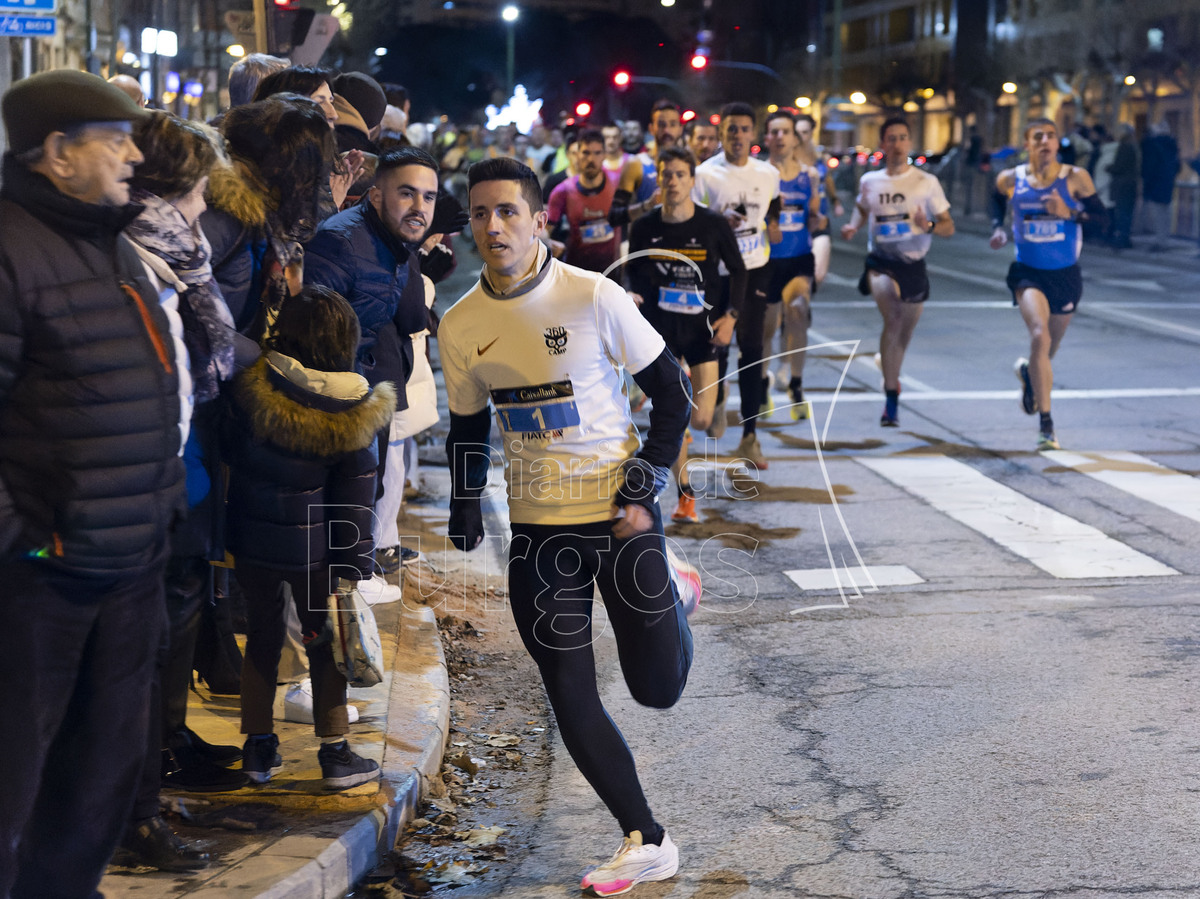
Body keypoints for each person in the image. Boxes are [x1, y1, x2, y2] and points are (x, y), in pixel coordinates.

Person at [441, 157, 700, 896]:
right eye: (481, 214)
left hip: (619, 520)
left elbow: (672, 395)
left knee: (657, 689)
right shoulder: (461, 325)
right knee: (567, 684)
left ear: (538, 219)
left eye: (508, 212)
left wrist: (647, 479)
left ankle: (674, 595)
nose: (494, 227)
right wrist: (464, 507)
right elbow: (467, 428)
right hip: (540, 532)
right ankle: (647, 838)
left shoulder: (594, 296)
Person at [0, 69, 186, 899]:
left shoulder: (110, 241)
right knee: (19, 769)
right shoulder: (10, 248)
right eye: (116, 140)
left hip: (131, 562)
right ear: (56, 153)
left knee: (104, 766)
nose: (135, 156)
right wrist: (28, 538)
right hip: (45, 573)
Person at [112, 110, 250, 874]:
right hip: (141, 487)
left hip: (171, 474)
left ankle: (151, 784)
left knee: (162, 634)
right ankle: (135, 809)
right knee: (137, 651)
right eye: (199, 189)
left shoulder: (172, 255)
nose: (206, 205)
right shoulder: (140, 258)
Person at [223, 285, 396, 789]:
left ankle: (257, 750)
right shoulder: (355, 404)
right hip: (316, 552)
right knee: (324, 642)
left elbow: (231, 458)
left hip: (253, 540)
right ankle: (335, 754)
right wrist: (354, 566)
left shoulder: (252, 386)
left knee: (261, 636)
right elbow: (356, 498)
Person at [304, 145, 441, 592]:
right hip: (333, 401)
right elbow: (313, 335)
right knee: (337, 506)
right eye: (407, 193)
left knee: (367, 494)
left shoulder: (394, 242)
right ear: (377, 195)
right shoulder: (342, 241)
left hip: (365, 393)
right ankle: (338, 597)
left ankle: (352, 585)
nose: (419, 207)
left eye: (429, 197)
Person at [627, 146, 746, 523]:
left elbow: (739, 272)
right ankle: (685, 496)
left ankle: (713, 396)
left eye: (680, 174)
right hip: (660, 333)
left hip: (702, 333)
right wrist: (632, 297)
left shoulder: (712, 225)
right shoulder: (645, 226)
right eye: (667, 175)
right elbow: (633, 272)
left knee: (699, 420)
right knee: (673, 414)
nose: (673, 181)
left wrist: (731, 316)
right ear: (659, 181)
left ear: (693, 180)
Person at [988, 117, 1106, 451]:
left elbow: (1103, 222)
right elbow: (996, 198)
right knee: (1039, 335)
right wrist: (999, 227)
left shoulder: (1075, 179)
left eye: (1051, 136)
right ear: (1027, 143)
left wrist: (1069, 212)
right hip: (1028, 272)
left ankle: (1029, 375)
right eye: (1037, 136)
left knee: (1047, 350)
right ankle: (1046, 425)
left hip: (1065, 275)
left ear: (1057, 144)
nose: (1045, 141)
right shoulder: (1011, 179)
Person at [840, 116, 954, 428]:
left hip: (913, 264)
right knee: (892, 316)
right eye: (891, 138)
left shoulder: (925, 182)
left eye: (903, 138)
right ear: (882, 144)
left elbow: (947, 226)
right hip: (881, 261)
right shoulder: (871, 181)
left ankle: (892, 375)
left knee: (904, 331)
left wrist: (927, 225)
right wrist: (853, 225)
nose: (897, 144)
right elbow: (863, 207)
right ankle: (891, 399)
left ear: (909, 143)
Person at [692, 101, 782, 467]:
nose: (739, 136)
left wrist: (772, 224)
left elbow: (773, 204)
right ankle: (716, 404)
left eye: (745, 129)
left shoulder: (767, 173)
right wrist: (717, 226)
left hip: (756, 266)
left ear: (754, 134)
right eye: (732, 129)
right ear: (722, 133)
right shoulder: (705, 174)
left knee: (752, 347)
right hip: (719, 273)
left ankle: (749, 436)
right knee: (719, 344)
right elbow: (694, 223)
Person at [762, 109, 825, 420]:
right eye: (774, 132)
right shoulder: (758, 174)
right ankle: (761, 386)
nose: (780, 137)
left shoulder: (809, 175)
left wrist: (816, 219)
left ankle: (797, 385)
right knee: (767, 328)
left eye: (785, 131)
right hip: (765, 261)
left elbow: (813, 219)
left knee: (798, 311)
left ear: (794, 138)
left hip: (799, 258)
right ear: (766, 138)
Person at [547, 128, 620, 273]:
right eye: (586, 153)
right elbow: (543, 231)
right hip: (576, 273)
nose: (591, 159)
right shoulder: (562, 191)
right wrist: (546, 242)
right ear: (577, 155)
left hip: (612, 273)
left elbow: (632, 219)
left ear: (604, 155)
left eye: (597, 153)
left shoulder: (618, 183)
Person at [610, 99, 683, 227]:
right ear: (651, 128)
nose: (667, 130)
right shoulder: (636, 164)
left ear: (680, 129)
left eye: (672, 124)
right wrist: (648, 205)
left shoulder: (690, 164)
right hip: (647, 244)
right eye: (661, 124)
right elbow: (615, 216)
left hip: (679, 244)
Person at [795, 112, 843, 287]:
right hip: (795, 222)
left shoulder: (820, 157)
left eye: (806, 132)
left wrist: (836, 201)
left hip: (819, 219)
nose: (802, 137)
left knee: (817, 275)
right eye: (797, 132)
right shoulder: (786, 160)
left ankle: (802, 300)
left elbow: (828, 179)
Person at [1141, 121, 1180, 252]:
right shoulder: (1172, 144)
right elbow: (1177, 165)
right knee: (1166, 212)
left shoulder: (1153, 144)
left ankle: (1159, 240)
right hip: (1168, 182)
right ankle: (1164, 240)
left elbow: (1149, 166)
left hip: (1156, 182)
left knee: (1158, 213)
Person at [1107, 123, 1138, 249]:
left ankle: (1122, 239)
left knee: (1122, 212)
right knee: (1127, 213)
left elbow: (1120, 166)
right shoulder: (1133, 146)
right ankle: (1125, 238)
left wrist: (1109, 168)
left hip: (1123, 185)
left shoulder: (1124, 146)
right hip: (1130, 184)